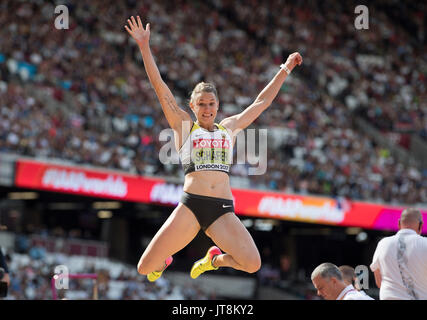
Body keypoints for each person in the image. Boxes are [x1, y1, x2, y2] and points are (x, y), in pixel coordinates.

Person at [125, 16, 302, 282]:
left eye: (211, 104)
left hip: (222, 208)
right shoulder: (184, 125)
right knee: (143, 267)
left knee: (252, 264)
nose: (207, 109)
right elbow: (160, 89)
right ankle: (163, 262)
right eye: (202, 104)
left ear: (217, 106)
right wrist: (143, 46)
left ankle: (213, 260)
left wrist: (285, 68)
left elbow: (261, 102)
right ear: (193, 106)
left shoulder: (227, 128)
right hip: (191, 205)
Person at [370, 208, 427, 300]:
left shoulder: (383, 243)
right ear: (421, 225)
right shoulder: (425, 244)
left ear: (399, 223)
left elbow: (379, 281)